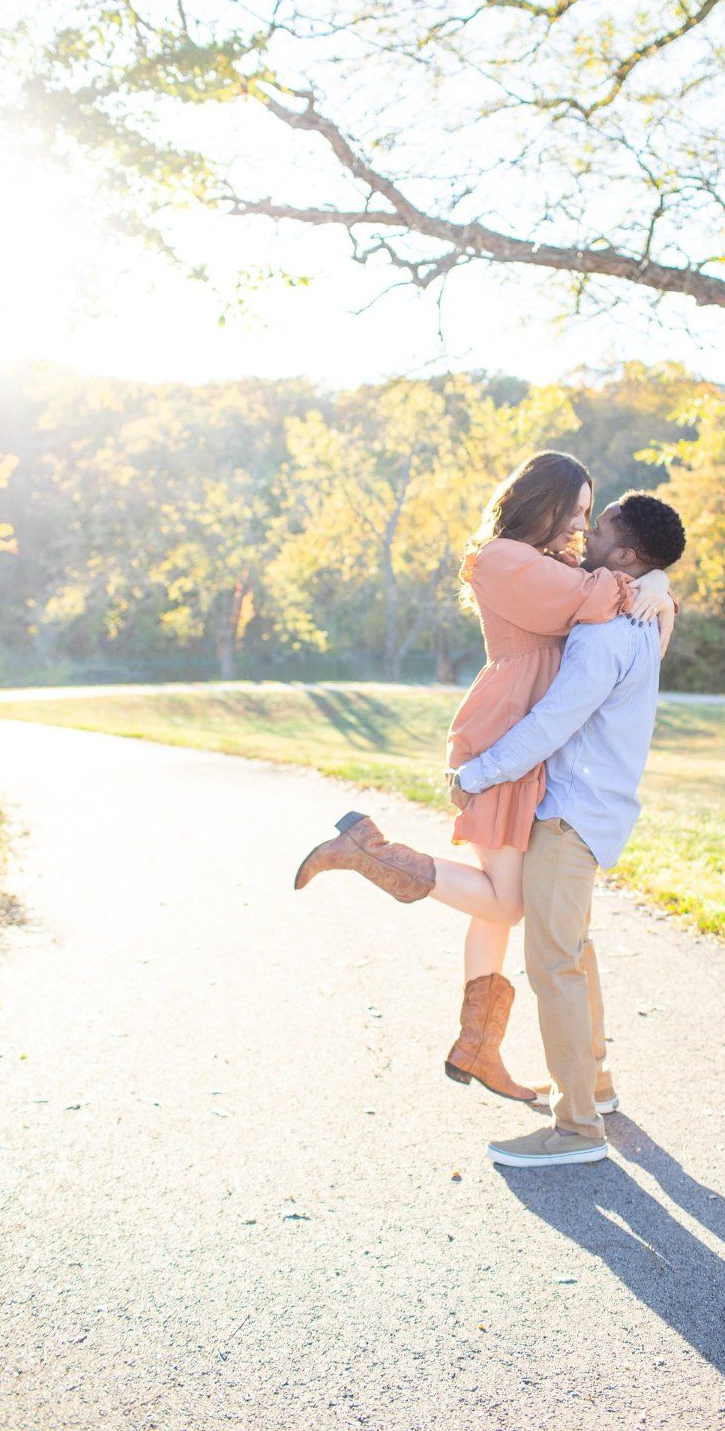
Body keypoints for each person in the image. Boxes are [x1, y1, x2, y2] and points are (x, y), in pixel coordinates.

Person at [293, 452, 677, 1100]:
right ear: (545, 503)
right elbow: (595, 596)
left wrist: (658, 588)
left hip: (528, 737)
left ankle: (477, 1048)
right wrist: (650, 582)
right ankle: (369, 853)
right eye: (577, 510)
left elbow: (618, 609)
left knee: (496, 906)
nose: (583, 526)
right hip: (506, 732)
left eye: (592, 514)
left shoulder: (550, 562)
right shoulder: (501, 559)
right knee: (508, 900)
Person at [449, 491, 686, 1167]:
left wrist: (476, 774)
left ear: (628, 555)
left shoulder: (605, 631)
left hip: (569, 813)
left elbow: (555, 721)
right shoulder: (638, 616)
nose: (589, 531)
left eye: (602, 523)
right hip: (597, 808)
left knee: (552, 964)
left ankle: (576, 1129)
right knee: (573, 953)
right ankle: (597, 1090)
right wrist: (658, 587)